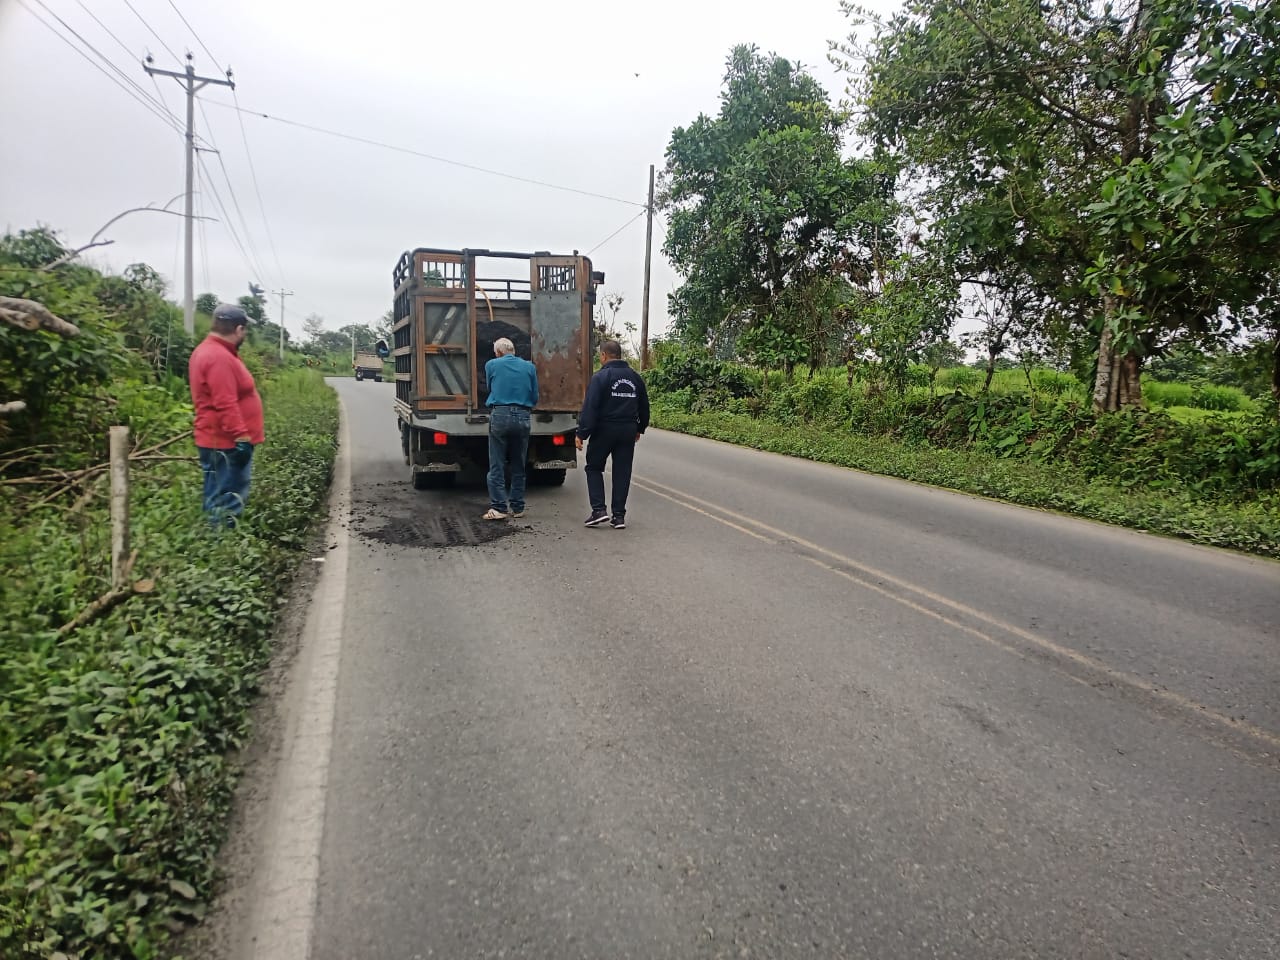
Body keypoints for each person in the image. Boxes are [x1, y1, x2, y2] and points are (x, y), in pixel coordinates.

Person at [189, 303, 264, 527]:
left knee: (218, 495)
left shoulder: (212, 351)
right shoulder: (218, 357)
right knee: (228, 499)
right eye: (245, 330)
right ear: (239, 329)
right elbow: (225, 402)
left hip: (219, 440)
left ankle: (216, 539)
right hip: (226, 443)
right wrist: (241, 437)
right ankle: (222, 542)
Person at [576, 340, 649, 529]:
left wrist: (582, 433)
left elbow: (590, 408)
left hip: (605, 429)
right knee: (622, 472)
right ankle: (619, 516)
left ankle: (599, 510)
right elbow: (644, 406)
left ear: (603, 355)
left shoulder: (601, 377)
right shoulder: (635, 377)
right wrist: (640, 428)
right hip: (627, 430)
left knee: (594, 467)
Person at [483, 337, 539, 520]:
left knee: (497, 464)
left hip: (500, 415)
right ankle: (517, 507)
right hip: (523, 415)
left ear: (498, 353)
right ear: (513, 351)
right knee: (518, 464)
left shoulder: (492, 365)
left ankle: (499, 507)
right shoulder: (529, 367)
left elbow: (491, 387)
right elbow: (535, 396)